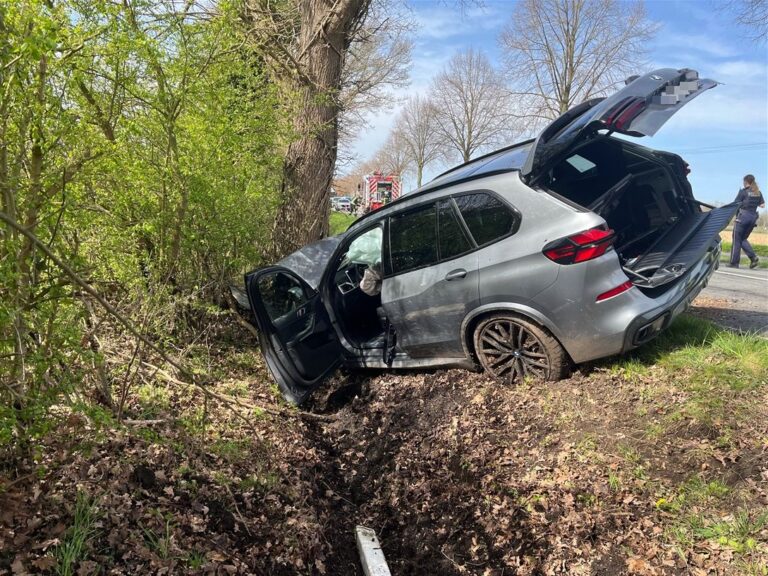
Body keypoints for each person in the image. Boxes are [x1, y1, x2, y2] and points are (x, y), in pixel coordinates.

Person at [729, 174, 764, 269]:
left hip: (742, 217)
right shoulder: (758, 192)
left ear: (745, 181)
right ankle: (753, 258)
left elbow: (735, 204)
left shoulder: (743, 192)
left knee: (736, 239)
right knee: (743, 238)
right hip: (753, 217)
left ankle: (734, 263)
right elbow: (762, 205)